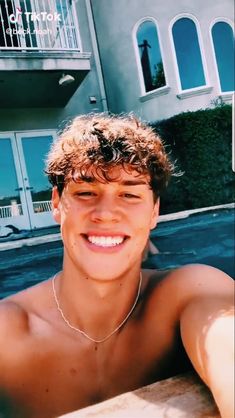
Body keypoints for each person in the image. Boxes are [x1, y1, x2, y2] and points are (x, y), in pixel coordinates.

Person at [0, 114, 234, 418]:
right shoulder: (8, 333)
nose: (106, 214)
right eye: (86, 192)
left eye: (130, 194)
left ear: (154, 211)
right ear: (57, 204)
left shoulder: (191, 291)